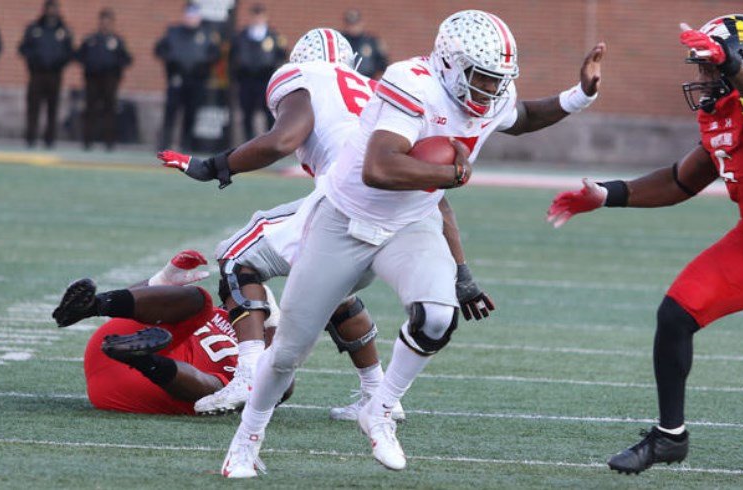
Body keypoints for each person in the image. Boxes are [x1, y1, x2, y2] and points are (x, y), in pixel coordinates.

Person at [218, 9, 605, 477]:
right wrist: (450, 174)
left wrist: (580, 95)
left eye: (497, 80)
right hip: (344, 220)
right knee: (287, 353)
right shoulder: (413, 82)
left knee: (437, 315)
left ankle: (379, 409)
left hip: (410, 223)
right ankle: (246, 441)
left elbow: (519, 116)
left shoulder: (493, 92)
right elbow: (378, 169)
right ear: (449, 64)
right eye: (481, 79)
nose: (490, 90)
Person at [547, 14, 743, 489]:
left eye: (711, 70)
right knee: (675, 314)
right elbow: (680, 180)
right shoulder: (720, 114)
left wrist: (729, 64)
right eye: (704, 68)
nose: (702, 79)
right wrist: (606, 195)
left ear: (739, 67)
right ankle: (671, 435)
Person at [159, 28, 496, 418]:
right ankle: (378, 395)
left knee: (237, 257)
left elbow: (283, 140)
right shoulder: (376, 88)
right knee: (334, 285)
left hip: (347, 202)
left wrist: (213, 166)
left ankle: (249, 373)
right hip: (396, 212)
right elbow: (435, 198)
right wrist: (463, 274)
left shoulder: (302, 75)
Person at [50, 250, 293, 415]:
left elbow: (281, 371)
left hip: (145, 383)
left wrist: (273, 321)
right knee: (198, 299)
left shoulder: (257, 363)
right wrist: (160, 282)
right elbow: (136, 314)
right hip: (113, 346)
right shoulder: (217, 314)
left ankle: (143, 359)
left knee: (221, 388)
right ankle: (94, 306)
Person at [154, 4, 220, 151]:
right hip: (176, 79)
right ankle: (165, 143)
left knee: (191, 114)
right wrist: (171, 61)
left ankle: (186, 144)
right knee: (171, 112)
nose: (191, 19)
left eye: (194, 15)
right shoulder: (173, 32)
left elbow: (215, 55)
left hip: (196, 81)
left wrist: (202, 65)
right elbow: (159, 49)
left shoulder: (207, 34)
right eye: (189, 15)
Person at [18, 0, 73, 148]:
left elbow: (70, 52)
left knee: (52, 108)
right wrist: (34, 61)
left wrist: (58, 63)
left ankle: (49, 140)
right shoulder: (34, 28)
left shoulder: (63, 30)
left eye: (54, 8)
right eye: (49, 8)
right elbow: (23, 48)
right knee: (33, 107)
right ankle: (30, 138)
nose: (52, 11)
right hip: (36, 75)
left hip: (55, 75)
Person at [75, 8, 132, 151]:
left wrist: (115, 68)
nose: (105, 25)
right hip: (92, 80)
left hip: (110, 80)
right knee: (90, 110)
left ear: (112, 23)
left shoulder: (117, 41)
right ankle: (87, 141)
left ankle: (109, 142)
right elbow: (79, 55)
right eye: (103, 21)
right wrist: (89, 65)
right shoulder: (91, 39)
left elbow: (126, 58)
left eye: (108, 22)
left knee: (109, 111)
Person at [230, 3, 287, 140]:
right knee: (247, 113)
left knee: (269, 114)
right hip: (246, 80)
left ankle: (271, 142)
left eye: (260, 16)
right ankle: (247, 143)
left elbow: (281, 56)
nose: (257, 19)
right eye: (255, 16)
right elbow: (233, 57)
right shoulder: (241, 36)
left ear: (265, 17)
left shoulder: (273, 37)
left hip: (266, 81)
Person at [341, 8, 388, 80]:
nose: (353, 28)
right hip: (345, 80)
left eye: (355, 24)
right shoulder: (341, 40)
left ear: (361, 23)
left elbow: (382, 64)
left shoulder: (371, 41)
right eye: (350, 24)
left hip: (367, 80)